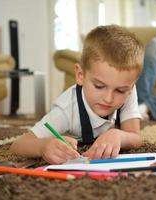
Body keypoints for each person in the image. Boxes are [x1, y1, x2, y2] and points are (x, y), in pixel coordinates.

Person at [10, 25, 144, 164]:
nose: (108, 98)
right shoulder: (66, 109)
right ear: (80, 75)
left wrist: (117, 135)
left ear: (131, 86)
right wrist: (43, 146)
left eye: (120, 91)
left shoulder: (128, 90)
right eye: (99, 86)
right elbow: (18, 145)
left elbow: (136, 137)